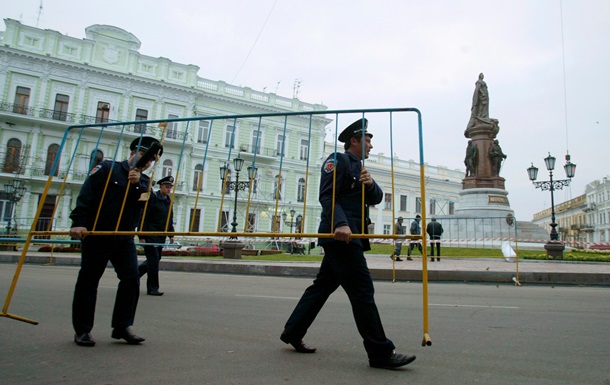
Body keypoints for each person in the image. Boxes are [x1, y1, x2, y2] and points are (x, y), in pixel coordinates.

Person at [279, 118, 416, 370]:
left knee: (322, 287)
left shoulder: (360, 168)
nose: (371, 146)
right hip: (341, 236)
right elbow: (327, 195)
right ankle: (379, 352)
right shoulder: (337, 161)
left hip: (350, 236)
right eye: (368, 140)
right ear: (354, 140)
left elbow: (375, 198)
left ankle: (292, 331)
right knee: (363, 291)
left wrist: (370, 182)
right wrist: (340, 223)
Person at [70, 136, 163, 347]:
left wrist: (135, 185)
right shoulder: (106, 168)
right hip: (97, 235)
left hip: (124, 237)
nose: (146, 162)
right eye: (143, 156)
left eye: (150, 161)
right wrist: (79, 221)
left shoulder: (145, 183)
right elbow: (87, 194)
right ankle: (82, 330)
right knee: (88, 280)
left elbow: (142, 205)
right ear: (132, 152)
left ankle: (122, 326)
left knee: (131, 279)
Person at [138, 175, 175, 296]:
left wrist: (171, 235)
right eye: (167, 187)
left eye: (170, 187)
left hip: (161, 235)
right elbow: (144, 217)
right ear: (161, 187)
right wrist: (141, 235)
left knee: (155, 259)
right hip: (150, 233)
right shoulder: (153, 198)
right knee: (153, 261)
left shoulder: (168, 201)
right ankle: (153, 288)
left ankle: (134, 274)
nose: (169, 189)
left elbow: (169, 219)